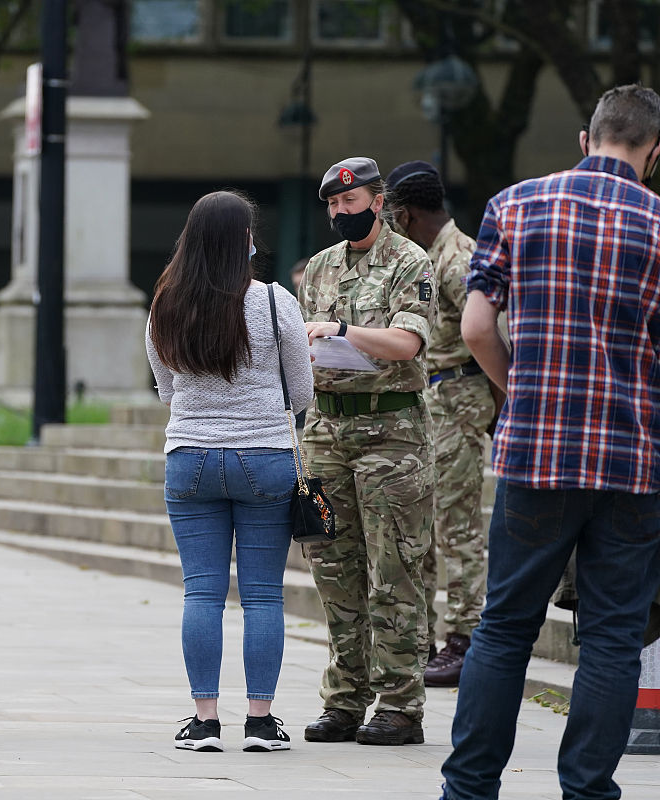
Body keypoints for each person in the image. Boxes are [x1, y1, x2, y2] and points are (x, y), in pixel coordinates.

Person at [440, 84, 660, 800]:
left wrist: (521, 391)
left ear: (585, 139)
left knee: (505, 626)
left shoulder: (515, 205)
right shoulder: (657, 223)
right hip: (632, 458)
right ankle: (588, 791)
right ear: (654, 152)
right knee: (613, 637)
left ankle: (469, 789)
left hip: (535, 451)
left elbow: (476, 327)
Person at [145, 190, 313, 753]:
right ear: (244, 240)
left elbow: (166, 389)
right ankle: (260, 723)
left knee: (202, 594)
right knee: (263, 596)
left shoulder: (166, 305)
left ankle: (205, 722)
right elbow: (301, 391)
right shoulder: (274, 301)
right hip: (265, 458)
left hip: (189, 457)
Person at [298, 157, 437, 746]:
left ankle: (400, 704)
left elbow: (406, 343)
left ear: (377, 202)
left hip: (390, 434)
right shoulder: (320, 268)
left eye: (349, 203)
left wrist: (340, 332)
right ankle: (344, 699)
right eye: (332, 204)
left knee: (394, 569)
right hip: (326, 431)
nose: (339, 212)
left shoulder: (410, 261)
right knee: (332, 568)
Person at [386, 160, 495, 687]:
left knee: (458, 525)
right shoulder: (426, 258)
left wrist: (499, 409)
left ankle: (465, 638)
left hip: (459, 398)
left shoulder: (458, 260)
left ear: (406, 214)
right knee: (425, 526)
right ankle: (426, 637)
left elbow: (491, 334)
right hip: (432, 399)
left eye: (392, 214)